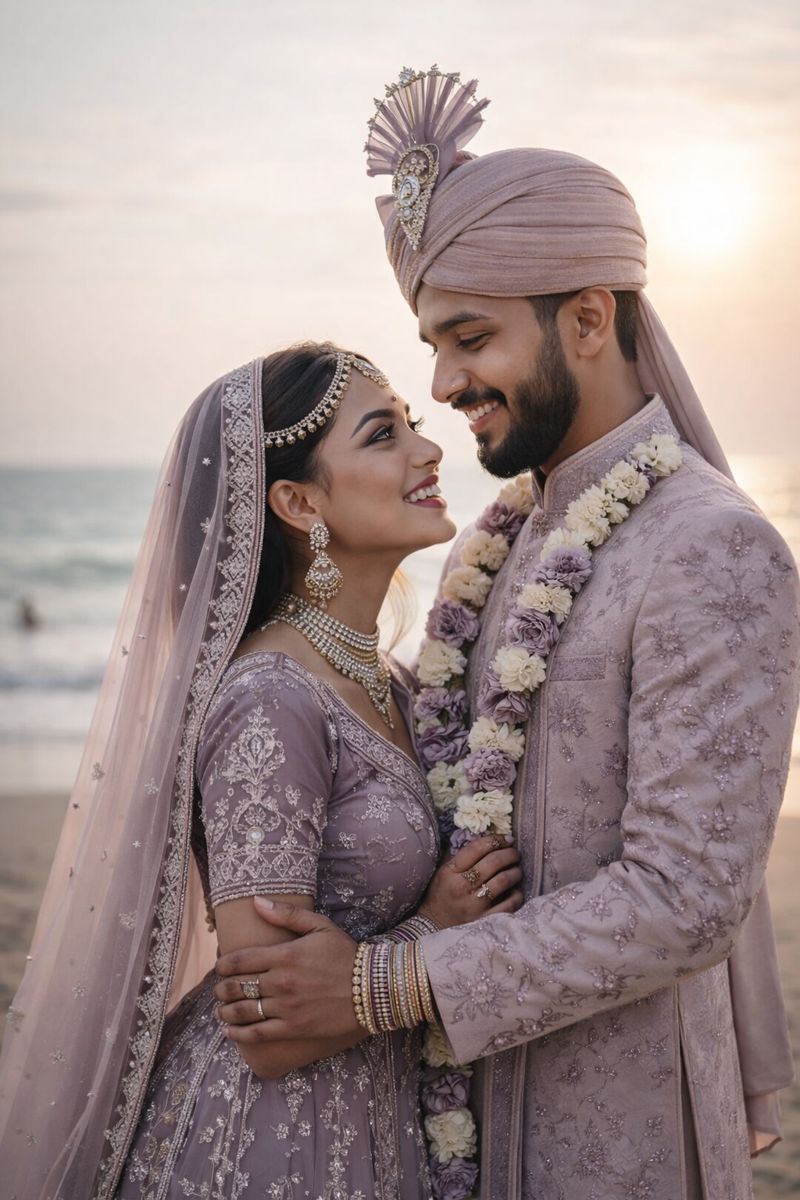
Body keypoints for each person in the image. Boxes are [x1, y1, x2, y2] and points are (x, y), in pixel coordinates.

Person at [211, 71, 800, 1199]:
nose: (443, 383)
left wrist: (389, 985)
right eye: (429, 344)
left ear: (585, 317)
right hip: (446, 1117)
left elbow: (686, 895)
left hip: (613, 1123)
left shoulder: (707, 547)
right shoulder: (506, 536)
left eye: (468, 338)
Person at [0, 341, 526, 1200]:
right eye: (382, 435)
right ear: (298, 501)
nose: (427, 451)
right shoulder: (271, 699)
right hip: (271, 1139)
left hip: (375, 1117)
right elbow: (267, 1026)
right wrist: (433, 927)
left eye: (414, 426)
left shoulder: (388, 680)